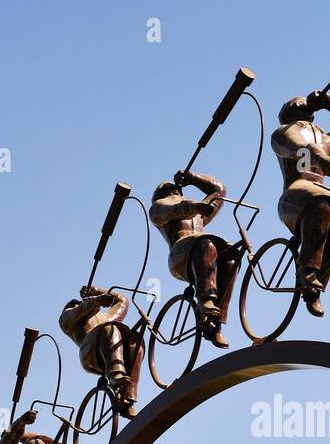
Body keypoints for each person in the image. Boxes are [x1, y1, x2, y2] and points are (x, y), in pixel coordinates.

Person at [271, 90, 330, 315]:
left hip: (322, 192)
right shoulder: (283, 133)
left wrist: (328, 101)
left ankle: (317, 283)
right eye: (297, 106)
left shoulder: (323, 139)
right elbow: (301, 147)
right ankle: (307, 271)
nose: (304, 107)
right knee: (319, 202)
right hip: (296, 196)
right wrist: (322, 158)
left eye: (307, 107)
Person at [149, 169, 234, 348]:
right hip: (180, 255)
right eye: (167, 188)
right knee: (206, 243)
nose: (173, 189)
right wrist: (196, 207)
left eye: (175, 188)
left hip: (203, 249)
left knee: (230, 256)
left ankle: (215, 323)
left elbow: (219, 191)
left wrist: (193, 178)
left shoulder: (198, 216)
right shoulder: (158, 208)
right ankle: (205, 300)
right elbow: (173, 208)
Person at [58, 285, 144, 417]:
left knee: (134, 339)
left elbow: (122, 301)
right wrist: (96, 300)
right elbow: (81, 310)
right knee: (108, 329)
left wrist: (98, 290)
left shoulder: (103, 318)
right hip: (90, 354)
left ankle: (128, 397)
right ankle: (115, 375)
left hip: (111, 350)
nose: (78, 302)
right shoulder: (67, 318)